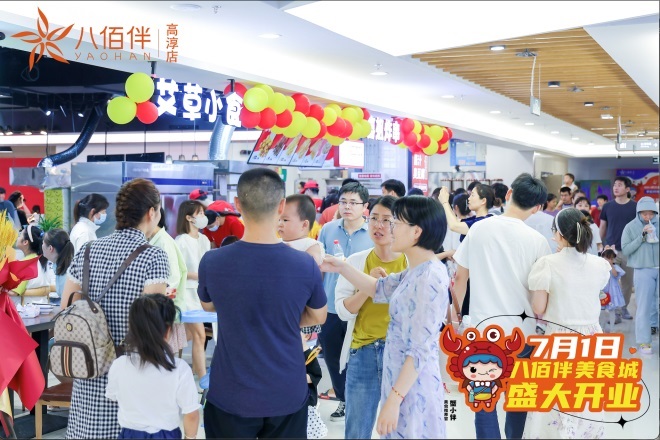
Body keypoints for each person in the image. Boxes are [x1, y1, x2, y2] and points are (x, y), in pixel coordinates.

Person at [198, 168, 327, 439]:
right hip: (287, 391)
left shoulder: (212, 261)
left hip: (231, 392)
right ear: (281, 206)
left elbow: (209, 307)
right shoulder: (304, 264)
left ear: (237, 205)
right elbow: (318, 316)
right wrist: (284, 316)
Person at [321, 195, 449, 438]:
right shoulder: (416, 271)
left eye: (396, 223)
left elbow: (419, 349)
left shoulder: (429, 278)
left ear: (416, 232)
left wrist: (393, 400)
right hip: (400, 380)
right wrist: (341, 267)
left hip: (412, 388)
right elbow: (379, 288)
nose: (390, 229)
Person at [62, 178, 169, 439]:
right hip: (131, 371)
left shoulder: (88, 251)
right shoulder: (153, 256)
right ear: (151, 212)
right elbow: (151, 328)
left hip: (86, 367)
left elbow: (66, 310)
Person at [452, 173, 550, 439]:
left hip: (482, 333)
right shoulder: (538, 241)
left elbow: (460, 279)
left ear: (508, 194)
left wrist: (457, 319)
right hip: (522, 334)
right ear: (537, 207)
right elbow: (540, 297)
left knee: (484, 402)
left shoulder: (479, 229)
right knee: (518, 399)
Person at [524, 208, 610, 439]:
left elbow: (538, 307)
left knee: (556, 397)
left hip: (560, 338)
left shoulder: (547, 264)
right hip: (592, 338)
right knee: (587, 396)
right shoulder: (599, 265)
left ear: (559, 235)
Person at [334, 195, 408, 439]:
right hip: (363, 351)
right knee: (357, 430)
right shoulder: (355, 262)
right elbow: (343, 311)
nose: (378, 225)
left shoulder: (411, 263)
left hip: (400, 354)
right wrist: (370, 287)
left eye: (387, 220)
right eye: (374, 218)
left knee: (400, 429)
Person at [106, 294, 200, 439]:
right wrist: (190, 437)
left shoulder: (119, 365)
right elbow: (191, 414)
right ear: (168, 330)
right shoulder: (179, 369)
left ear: (132, 328)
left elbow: (113, 396)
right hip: (166, 435)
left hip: (129, 435)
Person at [317, 181, 373, 420]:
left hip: (362, 306)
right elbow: (318, 267)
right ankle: (343, 399)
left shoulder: (373, 233)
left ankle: (360, 402)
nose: (347, 207)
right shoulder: (328, 230)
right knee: (332, 358)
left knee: (358, 356)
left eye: (353, 203)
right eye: (343, 202)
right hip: (330, 305)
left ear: (365, 207)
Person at [439, 184, 495, 317]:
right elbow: (456, 222)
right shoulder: (479, 220)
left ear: (483, 201)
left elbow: (454, 226)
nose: (468, 199)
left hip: (472, 278)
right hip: (471, 276)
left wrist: (445, 202)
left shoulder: (483, 222)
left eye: (472, 195)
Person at [175, 200, 211, 382]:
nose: (204, 217)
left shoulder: (204, 240)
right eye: (200, 213)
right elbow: (178, 270)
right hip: (187, 294)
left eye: (203, 213)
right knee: (199, 335)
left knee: (188, 335)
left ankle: (166, 357)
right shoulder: (180, 241)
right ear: (189, 218)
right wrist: (198, 276)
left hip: (202, 294)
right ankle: (203, 380)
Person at [621, 196, 659, 355]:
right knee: (643, 306)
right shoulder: (630, 227)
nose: (648, 217)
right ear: (638, 213)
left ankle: (654, 328)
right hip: (643, 269)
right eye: (644, 214)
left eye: (651, 213)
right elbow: (626, 249)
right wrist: (641, 236)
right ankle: (644, 341)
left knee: (657, 304)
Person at [149, 207, 188, 353]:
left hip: (164, 312)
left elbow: (173, 280)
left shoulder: (164, 242)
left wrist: (160, 303)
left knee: (164, 357)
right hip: (158, 310)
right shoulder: (155, 240)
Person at [599, 176, 637, 321]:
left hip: (629, 250)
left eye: (620, 185)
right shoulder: (607, 206)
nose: (616, 187)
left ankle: (624, 308)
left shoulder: (635, 207)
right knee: (610, 282)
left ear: (627, 189)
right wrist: (600, 246)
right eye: (615, 185)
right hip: (611, 250)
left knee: (627, 282)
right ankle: (613, 311)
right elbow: (603, 227)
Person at [8, 225, 51, 306]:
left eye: (20, 235)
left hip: (27, 310)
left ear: (25, 242)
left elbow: (14, 292)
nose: (17, 237)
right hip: (43, 306)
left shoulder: (26, 263)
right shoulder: (41, 260)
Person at [302, 332, 327, 439]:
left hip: (307, 400)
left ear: (306, 336)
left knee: (308, 430)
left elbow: (316, 374)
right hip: (291, 399)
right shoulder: (288, 352)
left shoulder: (310, 355)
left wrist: (298, 377)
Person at [42, 228, 74, 298]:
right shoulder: (60, 266)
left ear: (50, 248)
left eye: (43, 243)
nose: (42, 246)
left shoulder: (67, 273)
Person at [600, 249, 626, 332]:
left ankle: (612, 328)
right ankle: (601, 328)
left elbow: (615, 275)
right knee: (601, 311)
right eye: (607, 258)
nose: (609, 260)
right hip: (602, 292)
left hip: (612, 292)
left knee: (611, 310)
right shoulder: (599, 268)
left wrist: (611, 266)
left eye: (611, 259)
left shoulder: (614, 268)